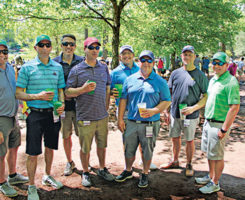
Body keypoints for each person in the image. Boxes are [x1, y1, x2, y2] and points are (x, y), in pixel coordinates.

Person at [16, 35, 65, 200]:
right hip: (34, 114)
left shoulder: (57, 67)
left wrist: (62, 103)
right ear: (35, 48)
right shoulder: (27, 68)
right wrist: (38, 96)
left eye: (48, 45)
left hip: (53, 114)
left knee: (50, 147)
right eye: (41, 45)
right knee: (33, 152)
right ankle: (31, 185)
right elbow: (18, 93)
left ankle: (47, 175)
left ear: (51, 47)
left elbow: (60, 90)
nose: (45, 48)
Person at [115, 50, 171, 188]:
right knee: (129, 148)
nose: (146, 63)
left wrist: (154, 110)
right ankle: (128, 170)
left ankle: (145, 173)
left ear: (153, 62)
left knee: (147, 149)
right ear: (138, 62)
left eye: (149, 60)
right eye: (143, 60)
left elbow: (167, 101)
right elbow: (123, 99)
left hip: (150, 124)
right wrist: (120, 119)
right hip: (132, 121)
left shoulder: (160, 81)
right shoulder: (130, 79)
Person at [65, 37, 114, 187]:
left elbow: (107, 86)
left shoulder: (103, 67)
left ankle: (102, 168)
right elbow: (67, 92)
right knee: (85, 147)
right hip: (85, 116)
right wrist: (82, 90)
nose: (94, 50)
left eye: (97, 48)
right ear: (85, 50)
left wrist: (106, 105)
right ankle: (85, 172)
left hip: (102, 116)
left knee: (102, 145)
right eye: (91, 48)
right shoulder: (77, 70)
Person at [195, 52, 240, 194]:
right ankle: (210, 176)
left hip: (219, 125)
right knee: (209, 153)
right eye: (214, 63)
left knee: (217, 156)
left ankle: (215, 183)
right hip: (209, 123)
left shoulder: (231, 82)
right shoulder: (214, 79)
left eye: (220, 63)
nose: (216, 66)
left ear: (226, 65)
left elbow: (234, 107)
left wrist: (224, 129)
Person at [160, 45, 209, 177]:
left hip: (190, 115)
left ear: (194, 57)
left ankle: (189, 164)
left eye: (190, 54)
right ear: (181, 56)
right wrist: (166, 111)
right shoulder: (175, 73)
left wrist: (194, 108)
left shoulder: (200, 76)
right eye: (185, 54)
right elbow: (168, 93)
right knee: (175, 138)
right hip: (175, 113)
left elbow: (206, 96)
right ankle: (175, 160)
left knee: (189, 140)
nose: (187, 57)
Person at [110, 45, 157, 170]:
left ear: (133, 55)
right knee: (128, 139)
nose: (126, 56)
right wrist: (112, 93)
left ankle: (143, 161)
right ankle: (128, 166)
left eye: (129, 53)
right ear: (120, 56)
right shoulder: (114, 73)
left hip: (140, 109)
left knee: (143, 137)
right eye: (124, 53)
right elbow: (109, 90)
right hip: (124, 111)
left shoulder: (141, 68)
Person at [0, 40, 29, 198]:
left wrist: (24, 107)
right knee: (0, 152)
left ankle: (12, 176)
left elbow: (17, 90)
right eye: (0, 52)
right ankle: (1, 182)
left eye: (5, 51)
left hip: (13, 116)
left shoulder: (10, 69)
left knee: (14, 146)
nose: (3, 54)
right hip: (0, 119)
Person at [53, 34, 84, 176]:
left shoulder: (82, 61)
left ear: (75, 46)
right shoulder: (54, 63)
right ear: (61, 46)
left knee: (83, 135)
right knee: (66, 135)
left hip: (80, 106)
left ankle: (85, 161)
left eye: (71, 44)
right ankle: (69, 161)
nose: (68, 47)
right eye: (65, 44)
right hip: (64, 107)